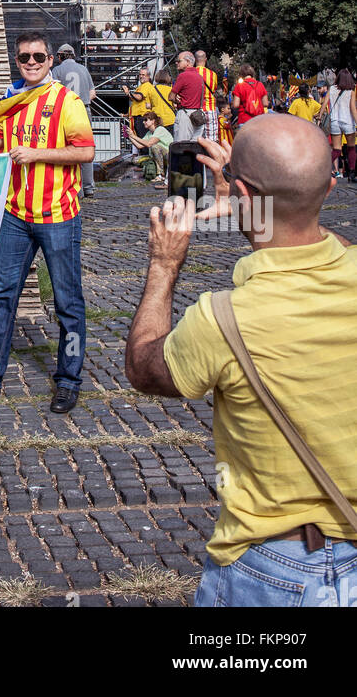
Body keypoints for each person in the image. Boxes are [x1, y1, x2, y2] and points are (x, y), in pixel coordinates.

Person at [125, 116, 357, 606]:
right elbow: (310, 222)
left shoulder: (221, 320)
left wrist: (164, 264)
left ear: (244, 195)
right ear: (331, 188)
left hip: (269, 567)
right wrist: (258, 194)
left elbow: (144, 367)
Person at [0, 32, 95, 414]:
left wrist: (37, 153)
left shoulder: (67, 101)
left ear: (50, 61)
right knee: (1, 296)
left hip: (59, 215)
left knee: (68, 303)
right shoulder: (13, 101)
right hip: (16, 214)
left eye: (38, 56)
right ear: (17, 60)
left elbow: (87, 150)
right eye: (24, 56)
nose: (31, 62)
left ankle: (68, 380)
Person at [53, 43, 96, 200]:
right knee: (86, 148)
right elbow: (93, 93)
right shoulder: (83, 69)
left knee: (68, 149)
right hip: (84, 109)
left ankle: (75, 190)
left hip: (66, 111)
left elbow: (53, 92)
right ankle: (89, 187)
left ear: (60, 56)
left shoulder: (57, 71)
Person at [322, 69, 357, 181]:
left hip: (335, 122)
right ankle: (351, 173)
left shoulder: (332, 89)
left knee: (337, 150)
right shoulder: (351, 91)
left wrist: (320, 114)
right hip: (348, 122)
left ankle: (323, 166)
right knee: (351, 148)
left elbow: (324, 103)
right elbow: (352, 108)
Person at [125, 110, 173, 186]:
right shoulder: (149, 133)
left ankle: (161, 175)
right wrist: (129, 136)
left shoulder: (160, 129)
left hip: (170, 157)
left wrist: (134, 136)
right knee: (137, 159)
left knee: (154, 147)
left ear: (153, 121)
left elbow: (149, 144)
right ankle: (159, 172)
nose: (144, 122)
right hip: (160, 158)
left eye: (146, 120)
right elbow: (139, 146)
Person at [169, 51, 205, 141]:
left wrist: (176, 100)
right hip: (198, 115)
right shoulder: (200, 77)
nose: (177, 63)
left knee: (181, 146)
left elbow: (170, 97)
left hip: (185, 115)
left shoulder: (183, 76)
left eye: (179, 61)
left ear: (188, 62)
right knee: (195, 147)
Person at [230, 62, 269, 128]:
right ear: (252, 73)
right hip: (259, 119)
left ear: (241, 74)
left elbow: (236, 105)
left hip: (244, 120)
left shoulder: (239, 86)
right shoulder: (260, 84)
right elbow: (265, 104)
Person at [122, 67, 155, 138]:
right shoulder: (141, 86)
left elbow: (139, 97)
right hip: (139, 117)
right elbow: (134, 98)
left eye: (143, 75)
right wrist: (128, 93)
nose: (141, 76)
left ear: (148, 76)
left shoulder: (147, 85)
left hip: (142, 117)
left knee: (142, 139)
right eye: (140, 74)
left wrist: (129, 93)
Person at [194, 50, 219, 144]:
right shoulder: (213, 74)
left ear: (195, 60)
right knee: (211, 141)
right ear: (205, 59)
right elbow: (214, 89)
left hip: (195, 110)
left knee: (196, 139)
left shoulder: (191, 73)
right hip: (210, 109)